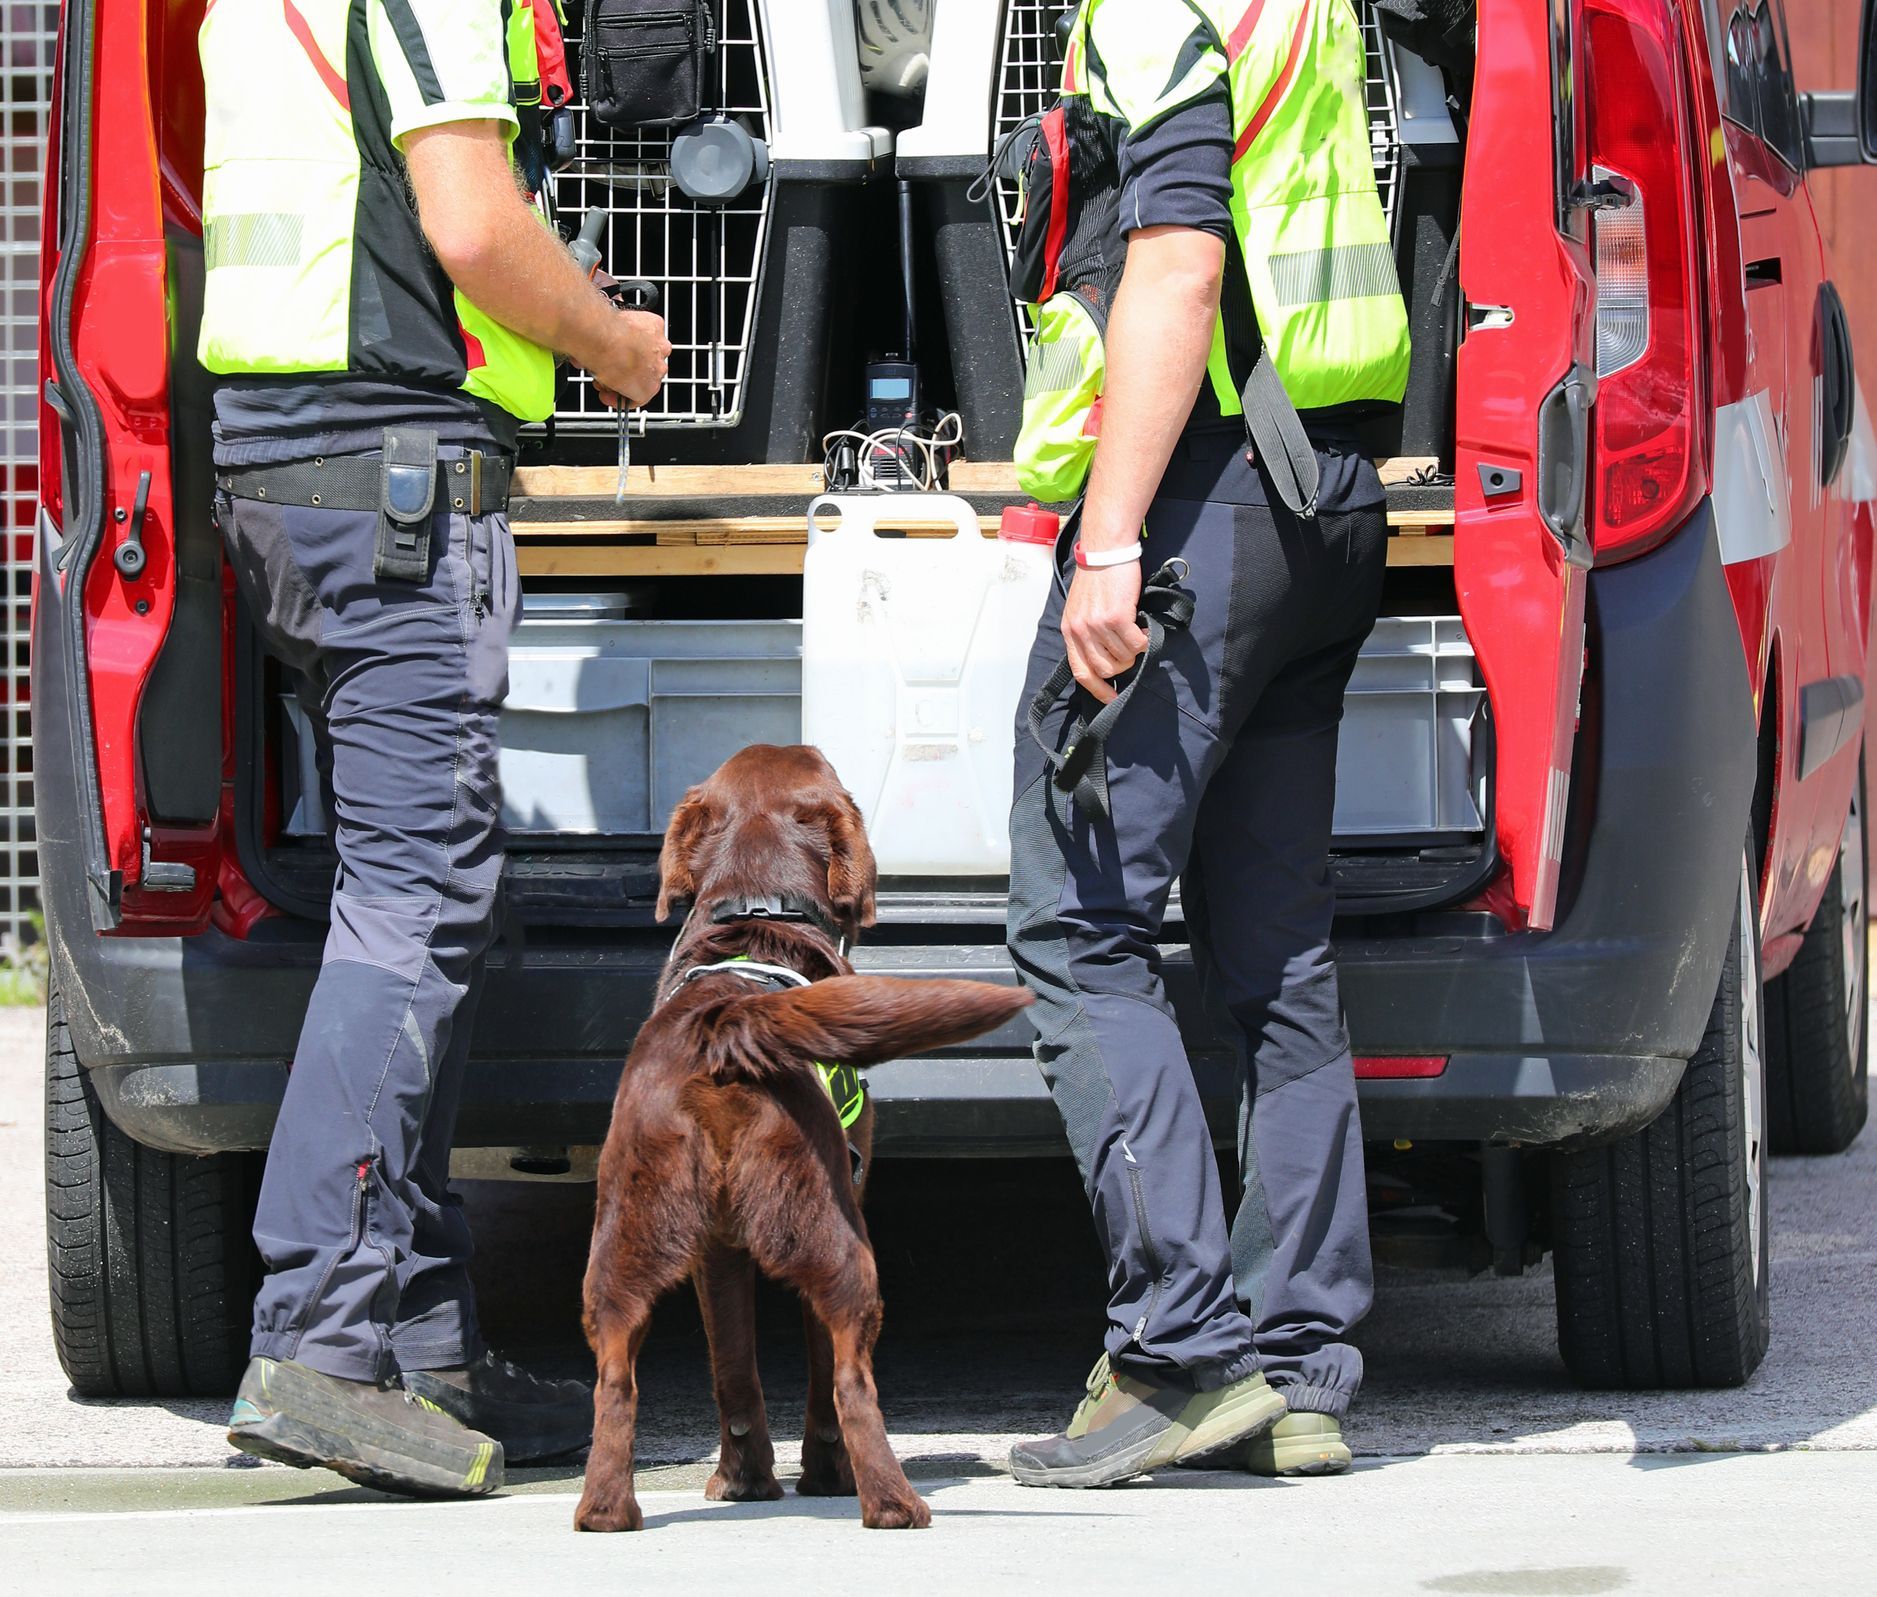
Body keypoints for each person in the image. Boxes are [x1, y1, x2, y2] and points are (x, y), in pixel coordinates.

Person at [198, 0, 668, 1497]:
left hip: (300, 476)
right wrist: (612, 340)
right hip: (389, 484)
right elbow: (470, 223)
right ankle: (322, 1342)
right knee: (415, 908)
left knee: (409, 899)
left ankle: (418, 1343)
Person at [1006, 0, 1411, 1488]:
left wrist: (1109, 539)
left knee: (1077, 923)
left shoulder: (1154, 8)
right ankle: (1297, 1371)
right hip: (1327, 498)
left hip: (1203, 502)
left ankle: (1177, 1352)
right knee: (1278, 958)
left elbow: (1179, 261)